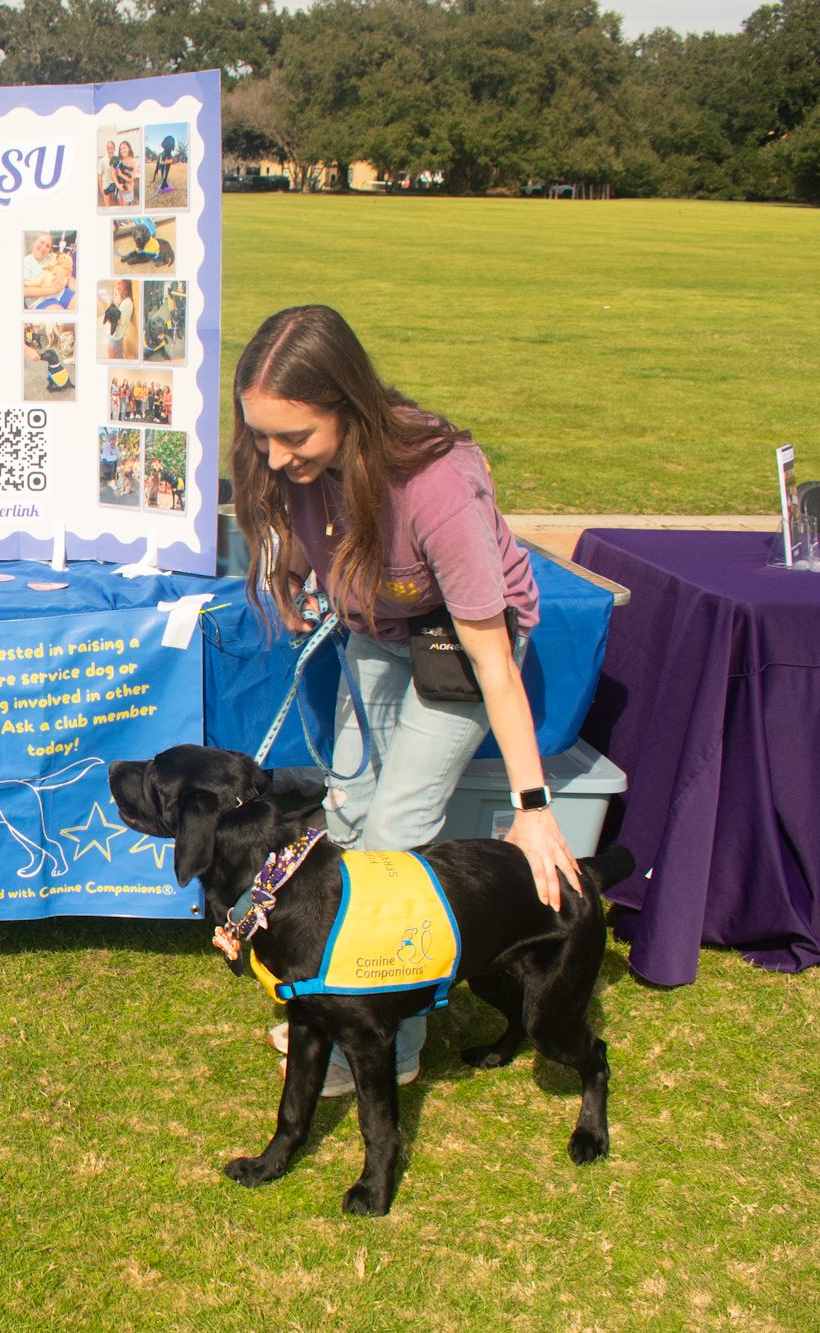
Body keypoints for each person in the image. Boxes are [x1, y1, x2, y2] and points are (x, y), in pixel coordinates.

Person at [229, 304, 574, 1094]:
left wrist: (533, 804)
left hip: (458, 638)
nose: (275, 458)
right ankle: (339, 990)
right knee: (347, 813)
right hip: (379, 630)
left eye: (296, 438)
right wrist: (288, 567)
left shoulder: (438, 486)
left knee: (394, 835)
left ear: (348, 409)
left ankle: (389, 1040)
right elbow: (283, 512)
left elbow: (493, 658)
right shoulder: (283, 457)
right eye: (260, 436)